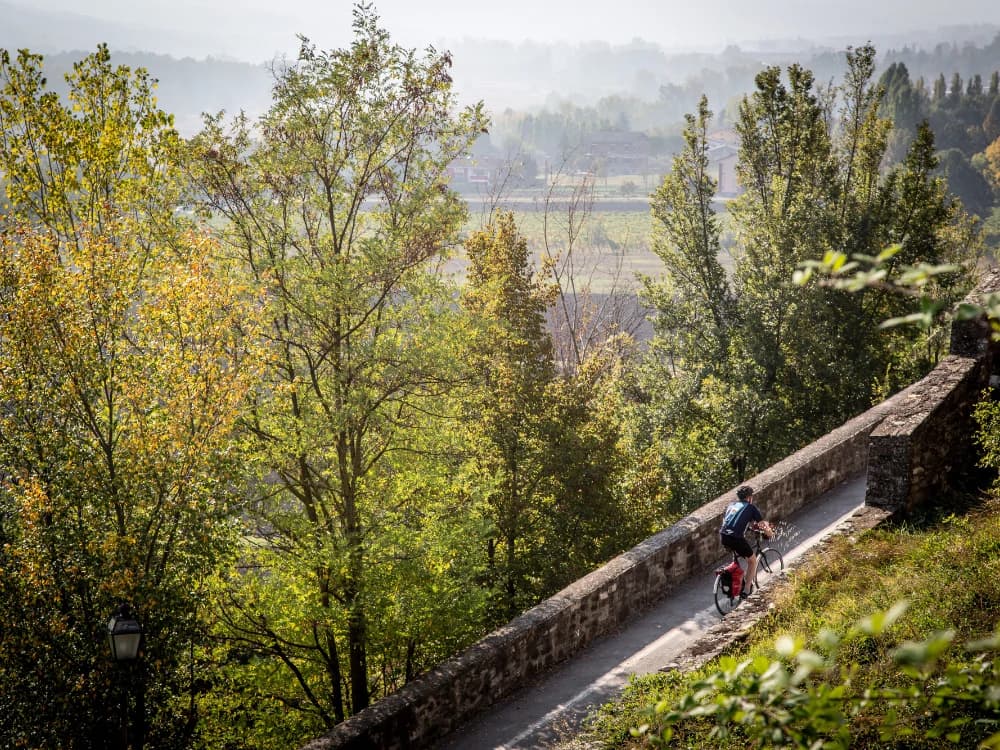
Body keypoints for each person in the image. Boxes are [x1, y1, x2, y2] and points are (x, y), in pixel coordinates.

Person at [720, 485, 768, 599]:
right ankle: (746, 590)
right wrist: (769, 533)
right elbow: (762, 524)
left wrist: (748, 528)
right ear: (749, 497)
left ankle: (737, 578)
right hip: (735, 537)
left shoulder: (731, 505)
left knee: (739, 552)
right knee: (752, 561)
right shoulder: (751, 507)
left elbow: (732, 521)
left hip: (723, 535)